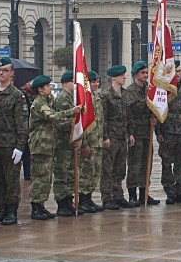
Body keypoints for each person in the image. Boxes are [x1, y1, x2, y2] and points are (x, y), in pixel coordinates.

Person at [27, 75, 81, 220]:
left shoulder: (46, 101)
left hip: (47, 146)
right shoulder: (39, 103)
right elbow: (53, 116)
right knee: (39, 178)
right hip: (40, 146)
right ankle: (36, 207)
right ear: (40, 89)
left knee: (46, 178)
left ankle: (41, 206)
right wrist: (71, 112)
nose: (50, 88)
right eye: (48, 86)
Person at [0, 57, 29, 225]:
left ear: (12, 74)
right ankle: (1, 209)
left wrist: (20, 146)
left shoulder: (18, 95)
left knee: (11, 179)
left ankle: (12, 211)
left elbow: (22, 123)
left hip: (10, 144)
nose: (1, 73)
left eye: (4, 70)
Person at [123, 61, 159, 206]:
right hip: (136, 131)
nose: (145, 75)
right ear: (135, 74)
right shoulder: (130, 91)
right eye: (142, 73)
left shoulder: (148, 90)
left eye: (146, 73)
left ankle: (144, 193)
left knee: (147, 164)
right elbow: (134, 109)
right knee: (134, 164)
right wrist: (150, 100)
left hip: (147, 131)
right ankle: (132, 194)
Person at [100, 65, 136, 209]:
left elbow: (129, 116)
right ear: (113, 77)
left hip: (122, 136)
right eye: (121, 76)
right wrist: (105, 137)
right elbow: (103, 118)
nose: (124, 77)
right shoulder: (106, 95)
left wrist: (131, 133)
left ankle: (118, 195)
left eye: (124, 75)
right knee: (107, 169)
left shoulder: (126, 95)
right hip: (111, 136)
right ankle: (107, 198)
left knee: (120, 168)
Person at [158, 68, 181, 204]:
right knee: (166, 163)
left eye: (179, 71)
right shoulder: (164, 90)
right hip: (167, 132)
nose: (178, 74)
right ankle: (170, 192)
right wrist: (159, 132)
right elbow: (158, 111)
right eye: (175, 71)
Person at [51, 71, 81, 216]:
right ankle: (61, 203)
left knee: (70, 173)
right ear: (65, 83)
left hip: (70, 142)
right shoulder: (63, 99)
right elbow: (60, 123)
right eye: (72, 82)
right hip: (62, 142)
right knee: (61, 174)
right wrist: (76, 127)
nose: (75, 85)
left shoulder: (72, 98)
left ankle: (69, 200)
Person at [78, 71, 105, 212]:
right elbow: (81, 125)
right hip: (89, 142)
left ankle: (89, 199)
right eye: (93, 82)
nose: (96, 84)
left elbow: (101, 121)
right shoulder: (84, 100)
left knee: (95, 173)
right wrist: (85, 144)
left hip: (98, 141)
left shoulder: (97, 99)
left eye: (97, 82)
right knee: (86, 172)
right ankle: (82, 200)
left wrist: (104, 137)